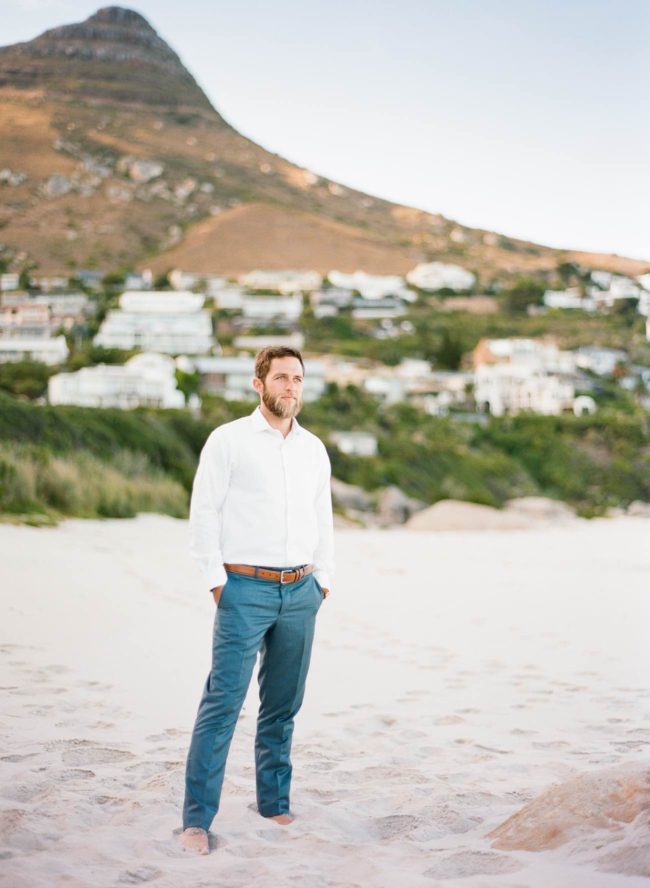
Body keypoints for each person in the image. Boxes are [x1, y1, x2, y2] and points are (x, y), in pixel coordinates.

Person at [180, 345, 334, 855]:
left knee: (282, 706)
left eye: (298, 379)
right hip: (243, 589)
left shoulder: (313, 448)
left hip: (301, 590)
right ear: (259, 384)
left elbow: (323, 519)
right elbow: (204, 513)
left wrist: (323, 579)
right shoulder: (228, 441)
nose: (291, 387)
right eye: (282, 378)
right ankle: (197, 821)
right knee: (223, 703)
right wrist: (217, 582)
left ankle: (273, 803)